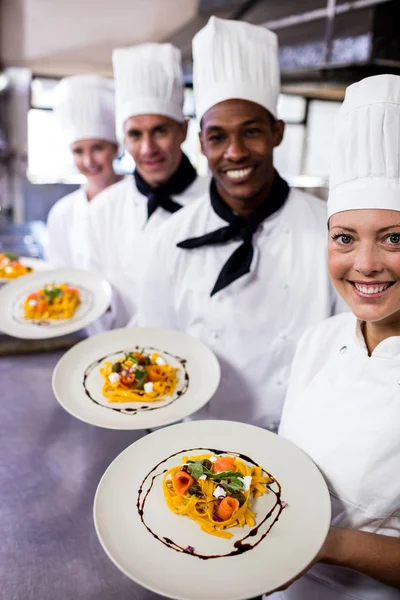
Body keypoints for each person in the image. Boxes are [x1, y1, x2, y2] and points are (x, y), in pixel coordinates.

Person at [133, 17, 340, 430]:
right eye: (218, 137)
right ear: (201, 143)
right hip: (199, 445)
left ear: (277, 132)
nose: (236, 152)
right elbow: (159, 356)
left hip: (301, 440)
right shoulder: (168, 239)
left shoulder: (330, 235)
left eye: (252, 132)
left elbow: (341, 359)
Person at [271, 74, 400, 599]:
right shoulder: (321, 340)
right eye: (344, 238)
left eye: (394, 238)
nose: (365, 265)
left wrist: (325, 544)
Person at [86, 43, 208, 327]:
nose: (147, 148)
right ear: (123, 139)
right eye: (135, 135)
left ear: (184, 130)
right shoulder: (103, 209)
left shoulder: (219, 202)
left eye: (160, 131)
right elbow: (94, 301)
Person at [46, 74, 121, 269]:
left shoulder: (141, 200)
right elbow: (58, 276)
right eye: (78, 151)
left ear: (116, 148)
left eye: (97, 148)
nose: (88, 161)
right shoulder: (62, 213)